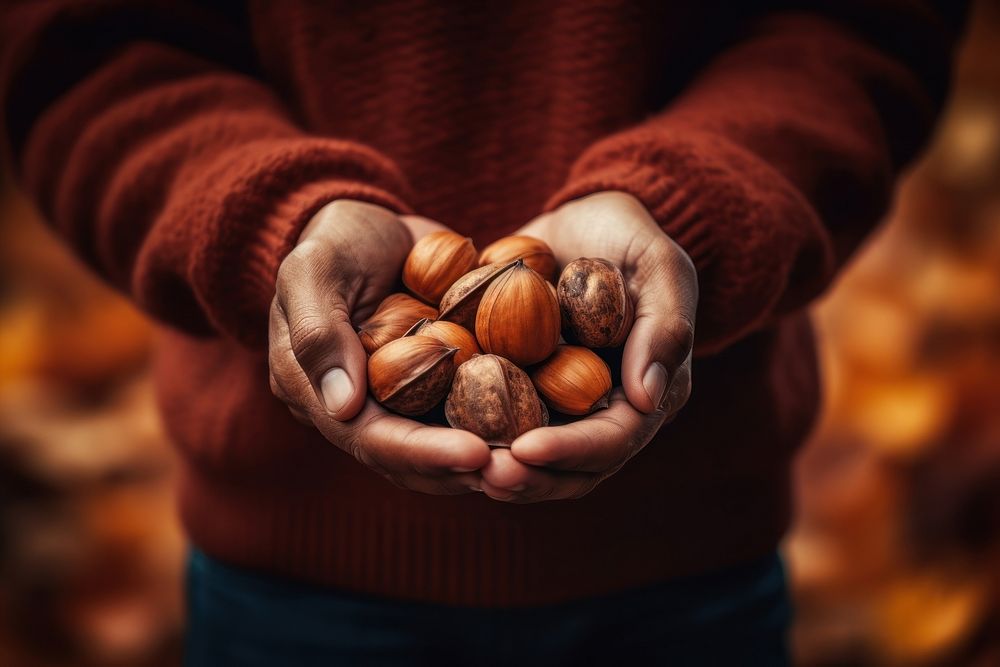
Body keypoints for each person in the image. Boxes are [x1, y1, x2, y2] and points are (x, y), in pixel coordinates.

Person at [0, 1, 965, 664]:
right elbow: (84, 49)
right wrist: (278, 223)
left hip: (688, 551)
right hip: (294, 565)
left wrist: (693, 203)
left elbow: (868, 28)